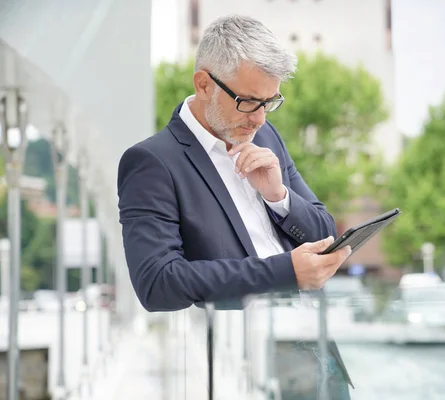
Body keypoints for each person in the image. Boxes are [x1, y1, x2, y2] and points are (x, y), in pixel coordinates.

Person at [117, 15, 353, 399]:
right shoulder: (151, 162)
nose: (258, 118)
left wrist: (279, 197)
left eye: (269, 102)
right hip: (235, 374)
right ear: (204, 84)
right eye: (247, 102)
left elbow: (323, 230)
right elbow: (157, 284)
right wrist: (284, 271)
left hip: (316, 359)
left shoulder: (267, 135)